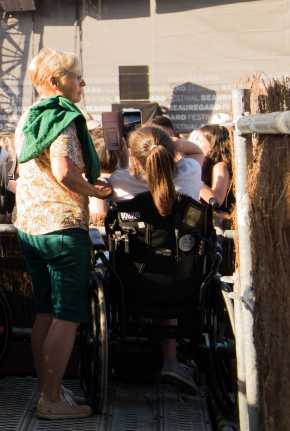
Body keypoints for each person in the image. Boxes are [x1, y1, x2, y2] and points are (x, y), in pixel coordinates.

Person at [14, 50, 112, 420]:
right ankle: (51, 400)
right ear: (56, 82)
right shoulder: (63, 117)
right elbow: (63, 172)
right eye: (77, 76)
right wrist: (95, 191)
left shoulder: (29, 115)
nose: (83, 82)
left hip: (30, 227)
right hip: (63, 228)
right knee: (67, 315)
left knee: (44, 312)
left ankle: (45, 390)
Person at [113, 126, 201, 394]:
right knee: (169, 260)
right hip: (183, 280)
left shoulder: (119, 181)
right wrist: (170, 143)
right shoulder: (190, 172)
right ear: (172, 152)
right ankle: (171, 360)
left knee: (155, 261)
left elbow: (125, 171)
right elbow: (197, 150)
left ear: (135, 159)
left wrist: (124, 155)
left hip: (134, 281)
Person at [193, 124, 233, 213]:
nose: (197, 144)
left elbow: (217, 200)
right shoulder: (209, 164)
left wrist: (192, 177)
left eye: (200, 141)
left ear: (212, 144)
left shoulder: (220, 166)